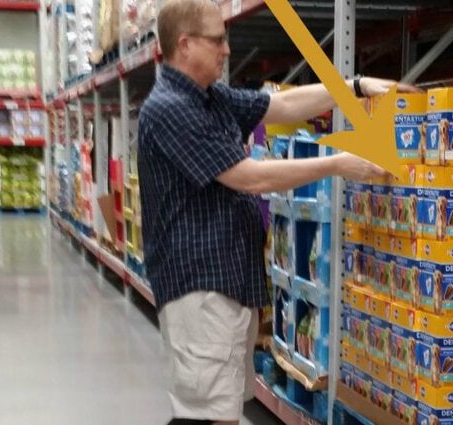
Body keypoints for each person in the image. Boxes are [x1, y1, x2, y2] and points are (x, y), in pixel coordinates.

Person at [138, 0, 417, 424]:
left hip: (225, 283)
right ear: (185, 44)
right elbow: (248, 177)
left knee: (219, 413)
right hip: (200, 289)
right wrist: (337, 164)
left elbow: (279, 106)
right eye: (217, 40)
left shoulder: (209, 98)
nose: (227, 49)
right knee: (202, 415)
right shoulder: (172, 109)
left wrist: (355, 87)